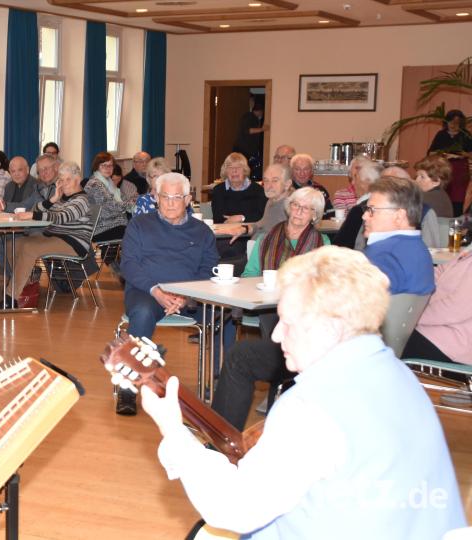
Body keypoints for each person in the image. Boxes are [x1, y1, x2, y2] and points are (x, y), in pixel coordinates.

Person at [141, 246, 466, 538]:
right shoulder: (401, 375)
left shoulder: (310, 407)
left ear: (329, 327)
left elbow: (233, 507)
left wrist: (174, 431)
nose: (277, 336)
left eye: (288, 323)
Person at [212, 188, 331, 430]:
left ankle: (284, 385)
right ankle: (283, 379)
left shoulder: (322, 244)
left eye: (306, 208)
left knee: (288, 323)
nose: (298, 211)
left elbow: (323, 284)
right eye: (295, 205)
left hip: (303, 308)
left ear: (315, 215)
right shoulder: (268, 237)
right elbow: (250, 274)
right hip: (267, 303)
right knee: (274, 319)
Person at [120, 173, 220, 340]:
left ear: (187, 200)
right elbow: (129, 264)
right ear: (157, 199)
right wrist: (156, 291)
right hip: (147, 292)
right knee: (143, 312)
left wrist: (186, 295)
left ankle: (223, 359)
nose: (170, 203)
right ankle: (137, 357)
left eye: (177, 197)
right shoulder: (139, 225)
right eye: (165, 197)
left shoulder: (202, 231)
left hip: (190, 296)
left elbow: (209, 267)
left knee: (225, 313)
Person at [2, 162, 92, 304]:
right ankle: (26, 285)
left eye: (68, 179)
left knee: (29, 248)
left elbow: (60, 217)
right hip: (55, 237)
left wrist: (33, 215)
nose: (64, 184)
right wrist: (53, 199)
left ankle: (11, 297)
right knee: (12, 244)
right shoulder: (62, 198)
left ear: (78, 179)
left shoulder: (81, 200)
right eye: (61, 180)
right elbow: (36, 208)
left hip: (73, 242)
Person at [362, 177, 435, 295]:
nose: (364, 216)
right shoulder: (420, 249)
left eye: (372, 210)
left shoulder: (381, 256)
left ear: (399, 216)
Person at [402, 249, 472, 366]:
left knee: (387, 343)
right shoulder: (468, 253)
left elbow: (454, 310)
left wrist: (412, 317)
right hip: (437, 332)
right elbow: (439, 271)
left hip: (453, 345)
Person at [225, 163, 293, 244]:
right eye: (266, 180)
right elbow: (262, 224)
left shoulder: (293, 206)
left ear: (287, 184)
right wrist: (245, 229)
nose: (269, 186)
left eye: (275, 180)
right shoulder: (271, 201)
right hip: (256, 247)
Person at [333, 159, 383, 249]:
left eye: (356, 178)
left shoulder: (359, 210)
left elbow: (340, 245)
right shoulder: (387, 205)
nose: (353, 183)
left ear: (367, 182)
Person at [84, 152, 130, 244]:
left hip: (113, 225)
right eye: (104, 165)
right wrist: (131, 205)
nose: (108, 168)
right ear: (97, 166)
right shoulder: (95, 184)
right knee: (135, 233)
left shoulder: (109, 183)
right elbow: (110, 208)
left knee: (137, 228)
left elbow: (124, 200)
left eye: (110, 165)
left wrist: (132, 203)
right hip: (100, 228)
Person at [209, 152, 266, 224]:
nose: (234, 171)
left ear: (245, 170)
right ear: (225, 171)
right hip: (225, 229)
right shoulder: (218, 190)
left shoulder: (258, 190)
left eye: (238, 167)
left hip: (251, 230)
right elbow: (217, 218)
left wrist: (242, 218)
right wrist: (228, 222)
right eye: (230, 167)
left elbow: (262, 216)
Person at [232, 97, 266, 177]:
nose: (262, 114)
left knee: (245, 170)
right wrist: (262, 129)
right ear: (260, 111)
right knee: (242, 170)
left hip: (245, 150)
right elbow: (248, 130)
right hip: (242, 150)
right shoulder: (249, 117)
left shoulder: (252, 118)